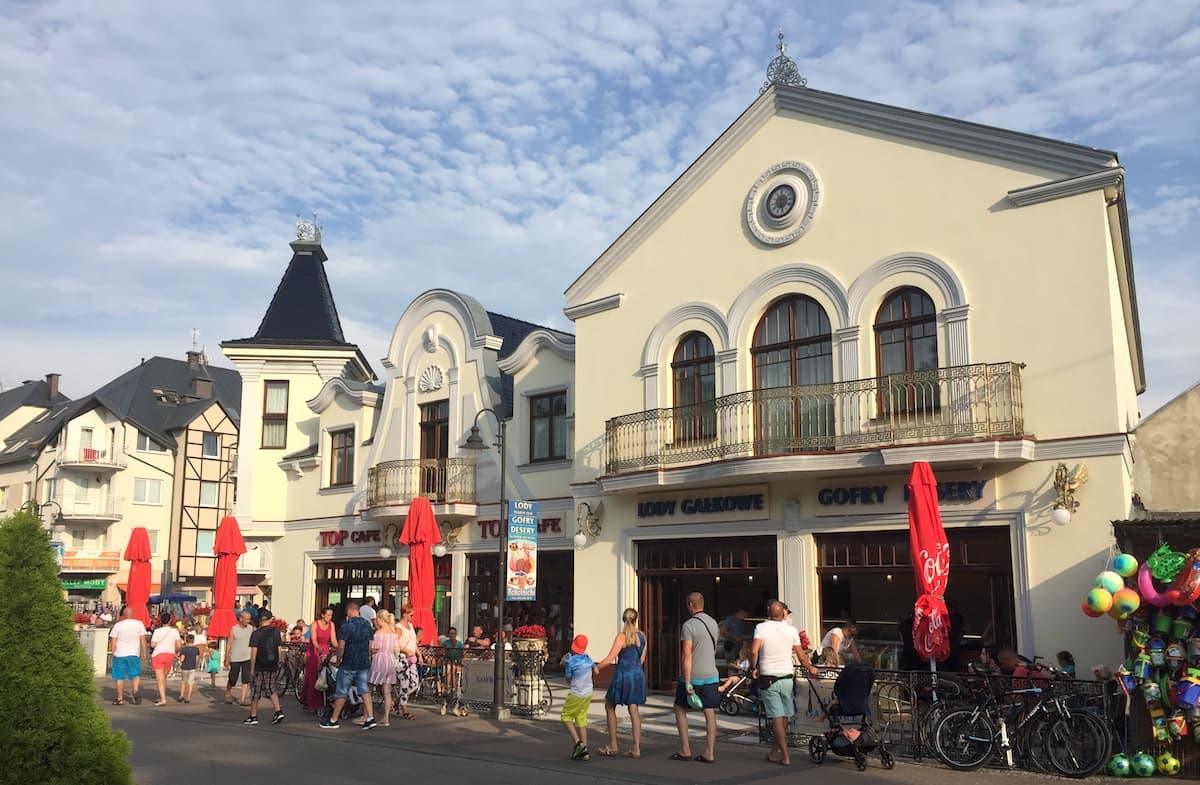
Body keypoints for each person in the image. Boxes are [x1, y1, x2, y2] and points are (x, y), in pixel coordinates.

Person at [753, 600, 820, 766]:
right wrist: (810, 667)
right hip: (787, 677)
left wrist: (755, 667)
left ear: (769, 613)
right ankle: (773, 753)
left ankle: (786, 756)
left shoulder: (761, 628)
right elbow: (801, 654)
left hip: (769, 677)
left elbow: (754, 650)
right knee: (784, 717)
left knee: (776, 719)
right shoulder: (791, 630)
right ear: (783, 613)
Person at [672, 591, 720, 764]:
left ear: (690, 605)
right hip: (711, 674)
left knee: (679, 708)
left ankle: (685, 749)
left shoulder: (688, 625)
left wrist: (687, 681)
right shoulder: (714, 623)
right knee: (710, 714)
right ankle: (709, 752)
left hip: (693, 675)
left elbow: (687, 654)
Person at [598, 608, 647, 758]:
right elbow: (642, 659)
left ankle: (613, 745)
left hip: (623, 675)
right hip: (637, 674)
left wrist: (596, 668)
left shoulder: (621, 637)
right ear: (636, 619)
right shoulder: (642, 636)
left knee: (609, 705)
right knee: (634, 710)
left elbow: (610, 658)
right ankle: (636, 748)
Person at [319, 601, 377, 730]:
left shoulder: (346, 626)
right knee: (364, 689)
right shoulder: (367, 624)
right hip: (363, 662)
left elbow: (341, 646)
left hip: (349, 662)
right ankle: (370, 717)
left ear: (349, 611)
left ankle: (333, 720)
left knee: (341, 691)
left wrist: (338, 660)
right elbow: (370, 645)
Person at [561, 634, 598, 761]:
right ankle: (585, 750)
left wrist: (564, 663)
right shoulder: (588, 659)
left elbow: (568, 679)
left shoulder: (570, 662)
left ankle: (579, 743)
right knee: (581, 718)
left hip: (576, 693)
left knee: (566, 716)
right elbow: (596, 671)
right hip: (588, 693)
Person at [245, 609, 285, 726]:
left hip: (259, 665)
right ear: (270, 619)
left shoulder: (256, 633)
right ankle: (278, 711)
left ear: (259, 620)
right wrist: (278, 661)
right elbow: (279, 648)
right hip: (272, 664)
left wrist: (251, 668)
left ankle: (253, 716)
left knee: (256, 690)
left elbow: (254, 651)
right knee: (271, 687)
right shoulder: (276, 632)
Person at [302, 606, 337, 714]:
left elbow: (334, 640)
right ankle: (311, 703)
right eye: (328, 615)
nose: (330, 617)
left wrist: (339, 648)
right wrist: (317, 647)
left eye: (331, 615)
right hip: (314, 651)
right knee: (313, 676)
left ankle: (323, 701)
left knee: (325, 676)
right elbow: (313, 639)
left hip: (325, 650)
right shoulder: (315, 624)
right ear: (322, 615)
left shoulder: (331, 625)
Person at [108, 607, 147, 705]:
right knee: (135, 674)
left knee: (119, 677)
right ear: (133, 614)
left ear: (123, 615)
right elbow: (143, 639)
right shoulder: (139, 624)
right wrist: (144, 652)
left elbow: (113, 640)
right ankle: (135, 690)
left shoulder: (118, 625)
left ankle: (120, 698)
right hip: (133, 653)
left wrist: (113, 651)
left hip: (120, 653)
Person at [368, 610, 399, 726]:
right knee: (387, 691)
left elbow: (373, 648)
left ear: (380, 619)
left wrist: (371, 651)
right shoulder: (393, 634)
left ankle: (368, 715)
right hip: (389, 660)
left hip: (379, 660)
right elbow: (396, 649)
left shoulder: (378, 634)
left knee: (370, 687)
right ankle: (386, 718)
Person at [149, 611, 182, 706]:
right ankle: (162, 695)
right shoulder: (174, 631)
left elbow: (153, 644)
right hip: (169, 655)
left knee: (160, 679)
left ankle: (163, 699)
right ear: (170, 620)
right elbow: (179, 645)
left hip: (158, 655)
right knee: (164, 677)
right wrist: (174, 650)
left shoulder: (157, 631)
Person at [393, 604, 419, 719]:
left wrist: (418, 652)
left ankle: (398, 700)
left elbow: (413, 641)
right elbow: (395, 643)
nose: (412, 617)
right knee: (404, 683)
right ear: (405, 614)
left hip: (411, 658)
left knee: (414, 683)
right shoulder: (398, 627)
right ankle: (405, 709)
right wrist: (405, 650)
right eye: (411, 615)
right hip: (402, 658)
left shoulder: (411, 626)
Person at [224, 611, 254, 706]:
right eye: (246, 619)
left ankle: (242, 699)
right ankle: (228, 691)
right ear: (240, 619)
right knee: (233, 678)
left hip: (247, 657)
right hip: (235, 657)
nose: (248, 621)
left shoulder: (251, 629)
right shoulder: (234, 629)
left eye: (249, 619)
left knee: (246, 678)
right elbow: (229, 643)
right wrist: (226, 657)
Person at [177, 633, 201, 703]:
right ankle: (188, 698)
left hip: (185, 667)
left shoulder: (184, 649)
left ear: (186, 640)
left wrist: (177, 657)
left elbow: (182, 659)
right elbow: (196, 659)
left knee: (183, 682)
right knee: (190, 683)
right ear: (193, 641)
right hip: (192, 667)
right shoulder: (196, 649)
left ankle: (181, 695)